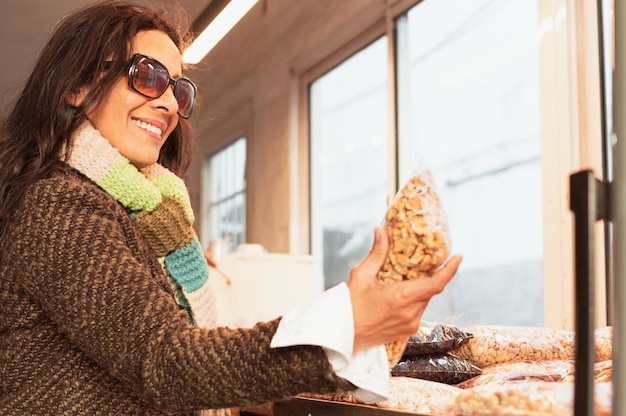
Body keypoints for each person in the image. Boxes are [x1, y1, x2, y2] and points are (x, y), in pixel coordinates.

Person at [0, 1, 462, 415]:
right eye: (147, 75)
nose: (166, 103)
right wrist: (346, 325)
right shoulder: (58, 204)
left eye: (177, 90)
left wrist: (352, 324)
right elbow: (168, 361)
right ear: (78, 85)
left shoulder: (136, 211)